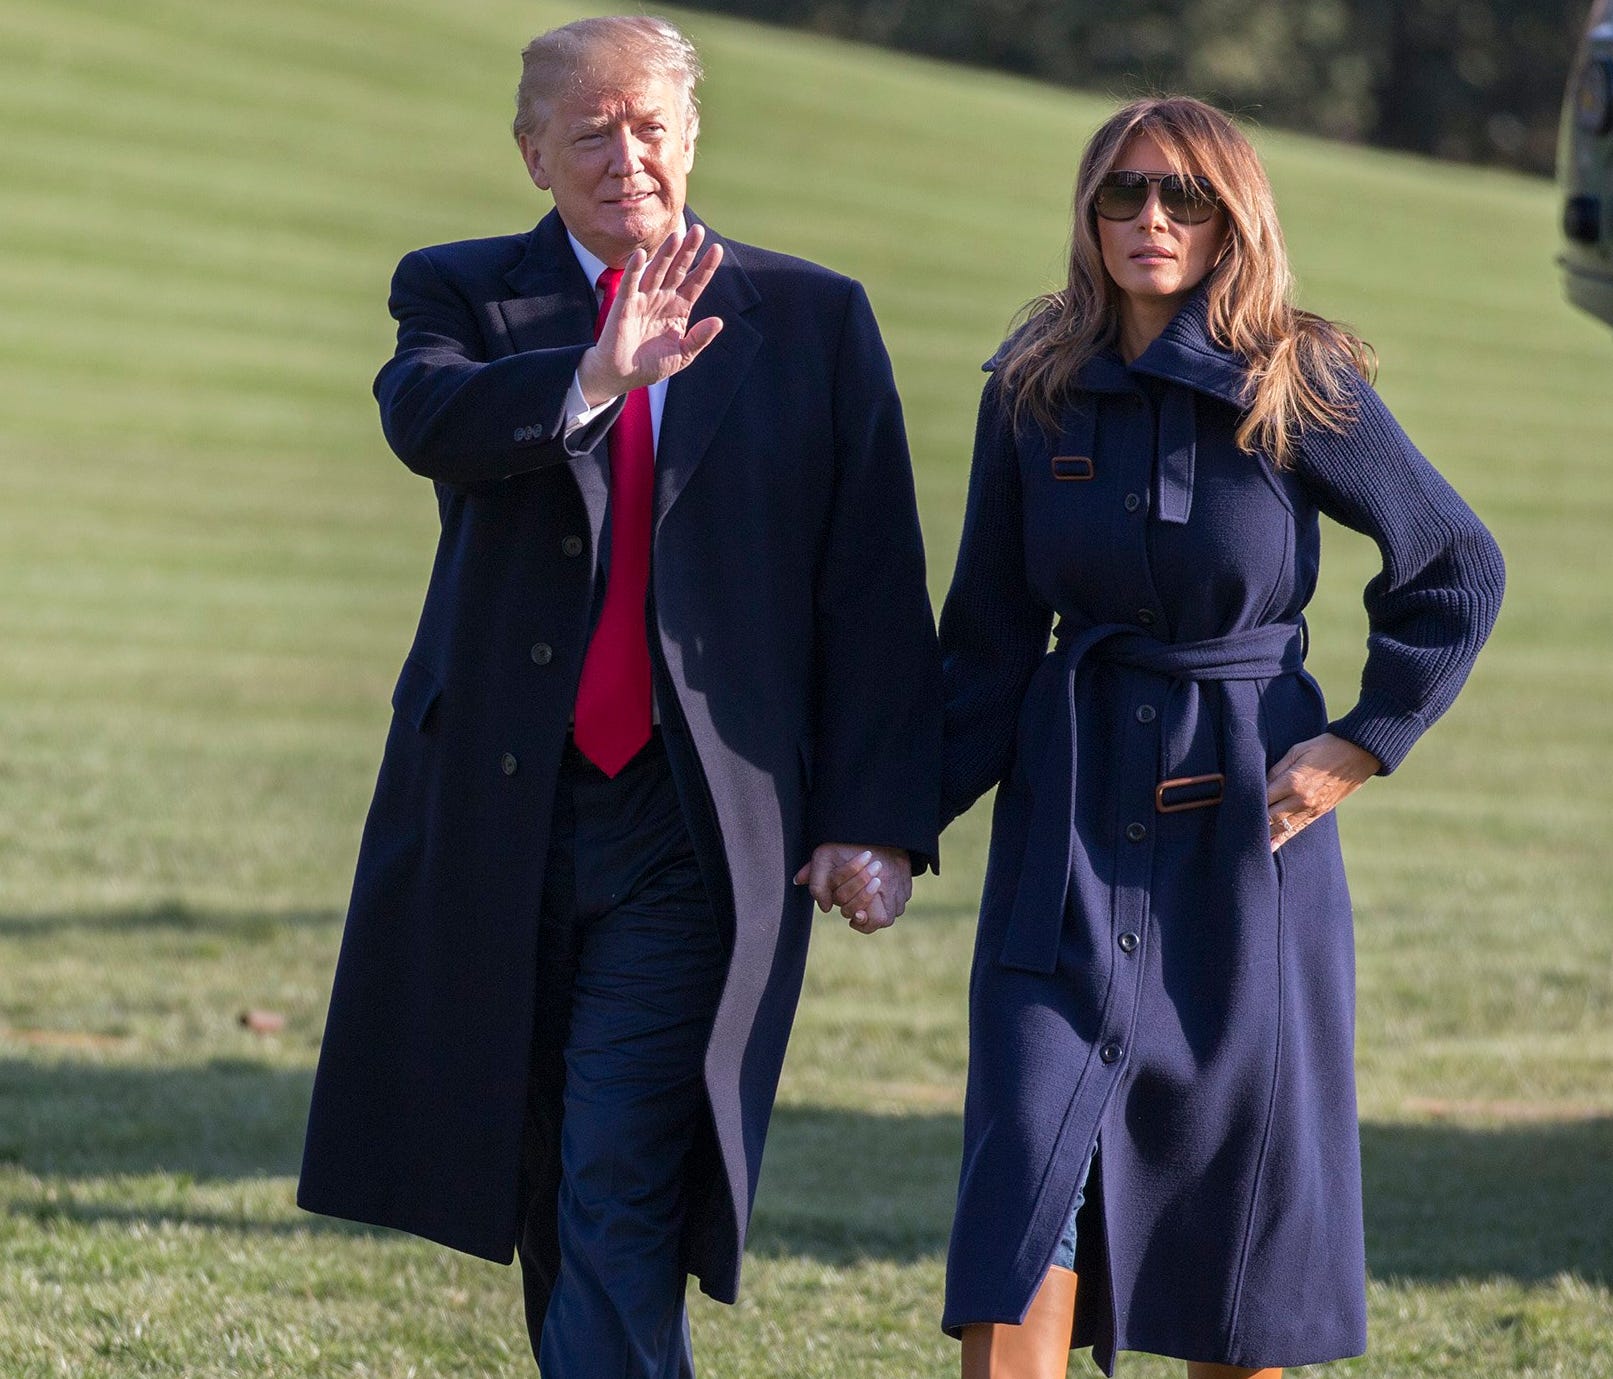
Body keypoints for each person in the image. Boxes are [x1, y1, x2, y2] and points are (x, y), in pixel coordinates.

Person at [296, 16, 940, 1377]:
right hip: (500, 815)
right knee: (541, 1171)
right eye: (587, 131)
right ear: (532, 154)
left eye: (649, 124)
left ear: (692, 138)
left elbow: (872, 591)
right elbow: (431, 422)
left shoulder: (813, 319)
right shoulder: (462, 293)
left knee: (617, 1164)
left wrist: (875, 816)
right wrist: (597, 374)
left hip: (694, 827)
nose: (625, 154)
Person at [836, 95, 1504, 1376]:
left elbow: (1454, 565)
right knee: (1026, 1168)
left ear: (1229, 216)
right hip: (1068, 827)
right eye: (1122, 195)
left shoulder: (1297, 378)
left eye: (1182, 197)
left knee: (1234, 1208)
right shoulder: (1031, 386)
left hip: (1247, 836)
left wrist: (1358, 742)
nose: (1150, 219)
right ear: (1087, 215)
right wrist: (883, 823)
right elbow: (982, 642)